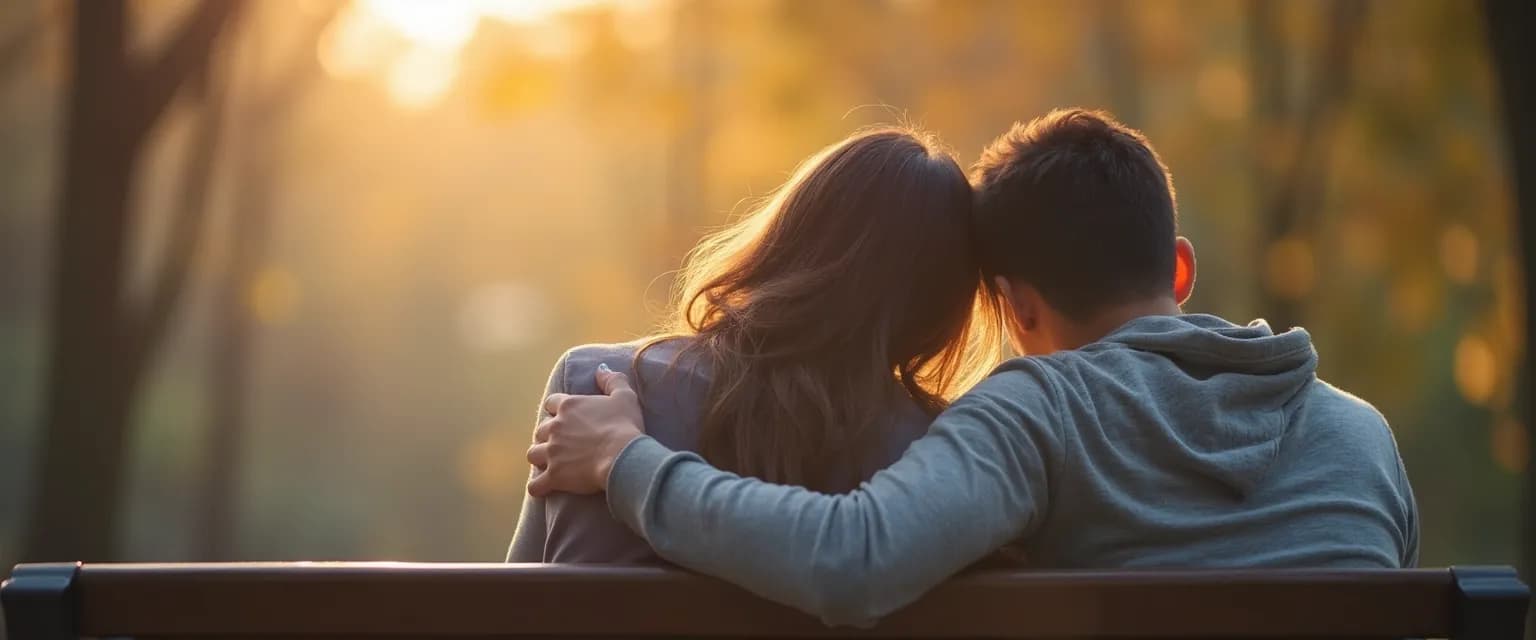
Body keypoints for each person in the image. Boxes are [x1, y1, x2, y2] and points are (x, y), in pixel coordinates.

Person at [524, 108, 1420, 625]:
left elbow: (852, 560)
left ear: (1017, 307)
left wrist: (626, 462)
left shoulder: (1036, 413)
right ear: (1179, 267)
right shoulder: (1361, 433)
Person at [507, 127, 1004, 562]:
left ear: (787, 235)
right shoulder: (938, 455)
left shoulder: (600, 388)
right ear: (939, 310)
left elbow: (509, 607)